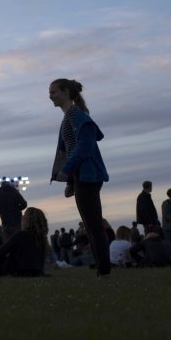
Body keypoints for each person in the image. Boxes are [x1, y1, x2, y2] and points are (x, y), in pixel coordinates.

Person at [48, 78, 111, 278]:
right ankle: (102, 270)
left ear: (66, 92)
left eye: (54, 92)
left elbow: (85, 146)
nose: (50, 96)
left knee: (93, 226)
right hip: (80, 176)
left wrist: (66, 170)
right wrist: (70, 181)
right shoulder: (69, 117)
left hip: (88, 174)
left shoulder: (76, 115)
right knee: (91, 225)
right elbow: (69, 149)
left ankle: (104, 271)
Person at [0, 207, 48, 277]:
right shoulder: (42, 239)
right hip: (36, 272)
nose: (22, 217)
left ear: (27, 220)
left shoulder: (21, 235)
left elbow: (1, 252)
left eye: (24, 215)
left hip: (16, 271)